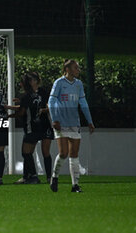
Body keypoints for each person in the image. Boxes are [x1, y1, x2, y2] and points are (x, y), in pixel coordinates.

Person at [48, 59, 95, 192]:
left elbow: (83, 103)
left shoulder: (78, 84)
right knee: (63, 153)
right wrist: (55, 119)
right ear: (67, 69)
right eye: (75, 68)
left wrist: (90, 121)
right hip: (61, 122)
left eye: (78, 68)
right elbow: (51, 101)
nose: (78, 70)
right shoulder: (59, 83)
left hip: (74, 123)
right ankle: (55, 176)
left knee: (74, 154)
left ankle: (75, 185)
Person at [6, 72, 54, 184]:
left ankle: (37, 176)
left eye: (31, 79)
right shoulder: (28, 95)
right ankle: (27, 176)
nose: (30, 82)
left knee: (29, 152)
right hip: (39, 125)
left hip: (36, 126)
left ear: (36, 81)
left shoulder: (39, 93)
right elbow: (27, 106)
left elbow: (23, 111)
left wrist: (10, 115)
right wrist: (11, 107)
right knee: (29, 153)